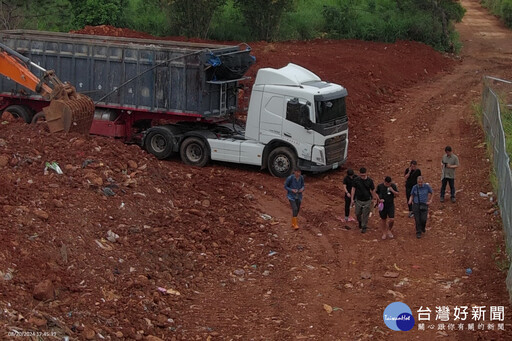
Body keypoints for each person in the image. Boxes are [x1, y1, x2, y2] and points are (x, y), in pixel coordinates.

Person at [351, 167, 378, 233]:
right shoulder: (356, 180)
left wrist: (374, 198)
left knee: (366, 214)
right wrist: (352, 199)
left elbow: (373, 190)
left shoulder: (370, 181)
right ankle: (360, 221)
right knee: (357, 213)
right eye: (361, 175)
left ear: (366, 173)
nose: (362, 177)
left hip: (367, 200)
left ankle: (364, 226)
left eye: (364, 175)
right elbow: (353, 189)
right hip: (358, 200)